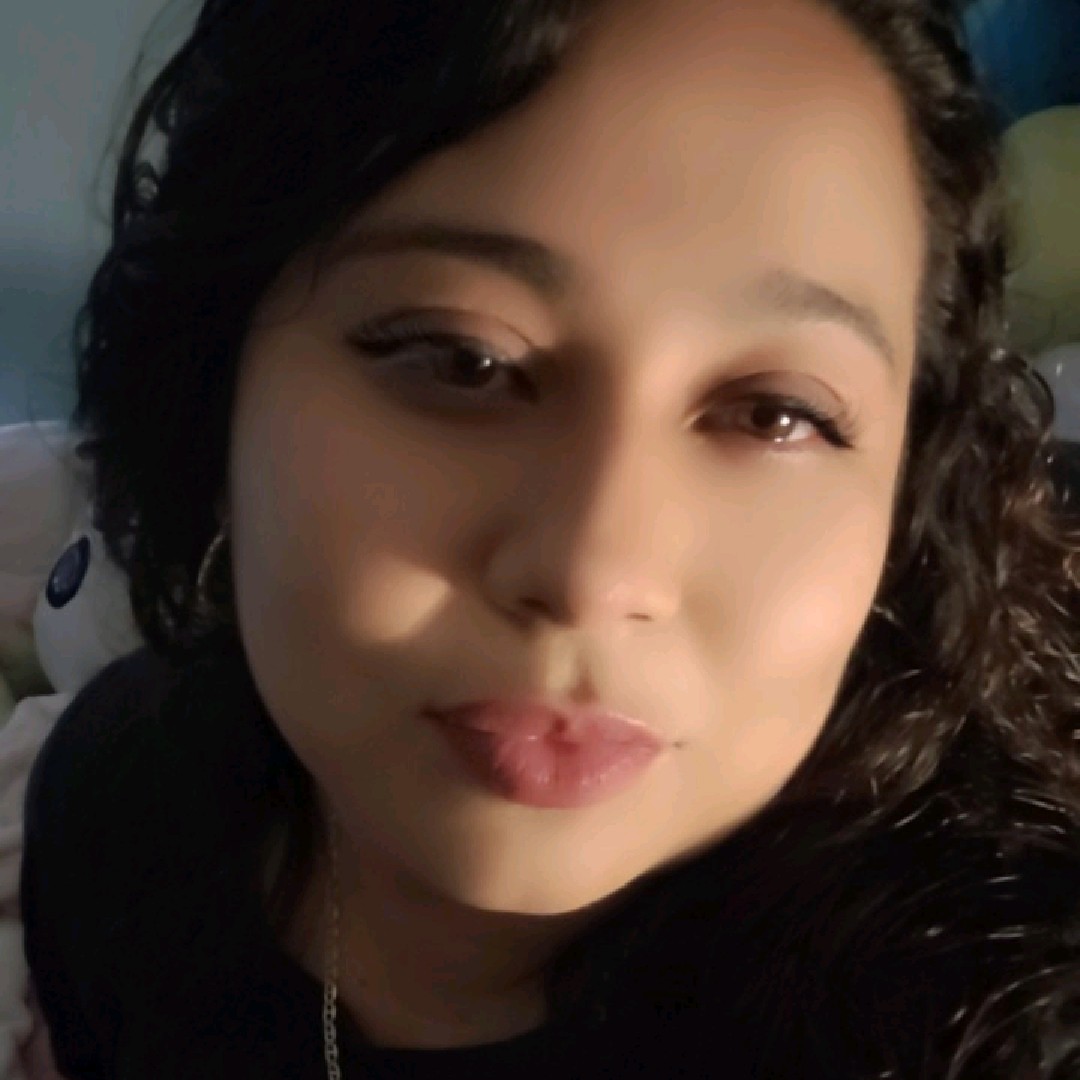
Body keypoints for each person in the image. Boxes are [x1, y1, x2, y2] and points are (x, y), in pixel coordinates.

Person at [18, 0, 1080, 1076]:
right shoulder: (117, 823)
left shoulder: (987, 1024)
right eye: (463, 360)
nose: (591, 572)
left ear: (909, 492)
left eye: (776, 414)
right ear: (213, 387)